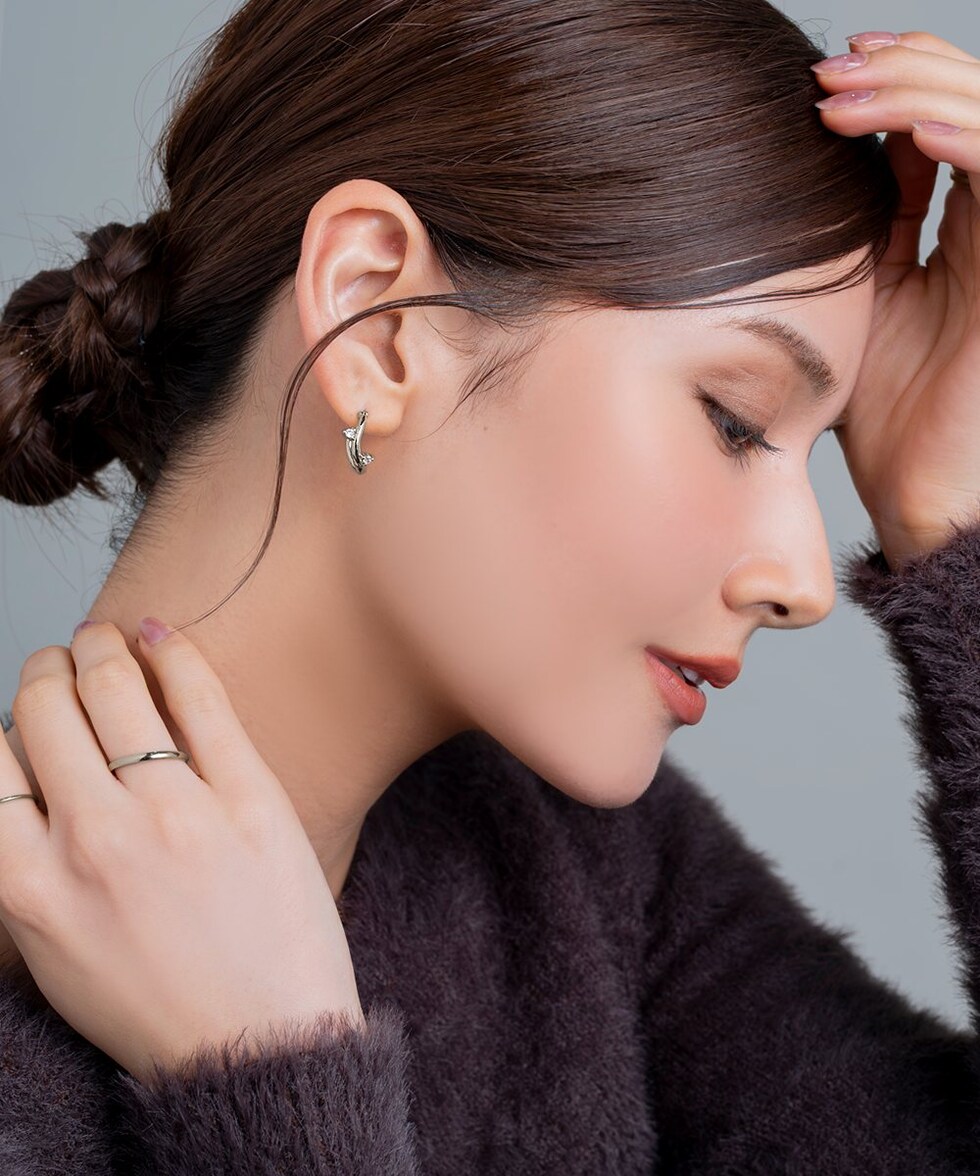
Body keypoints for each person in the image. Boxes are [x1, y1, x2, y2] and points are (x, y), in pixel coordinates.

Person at [1, 0, 979, 1170]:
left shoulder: (584, 879)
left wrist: (948, 522)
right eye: (733, 419)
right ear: (376, 319)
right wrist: (275, 1087)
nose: (803, 581)